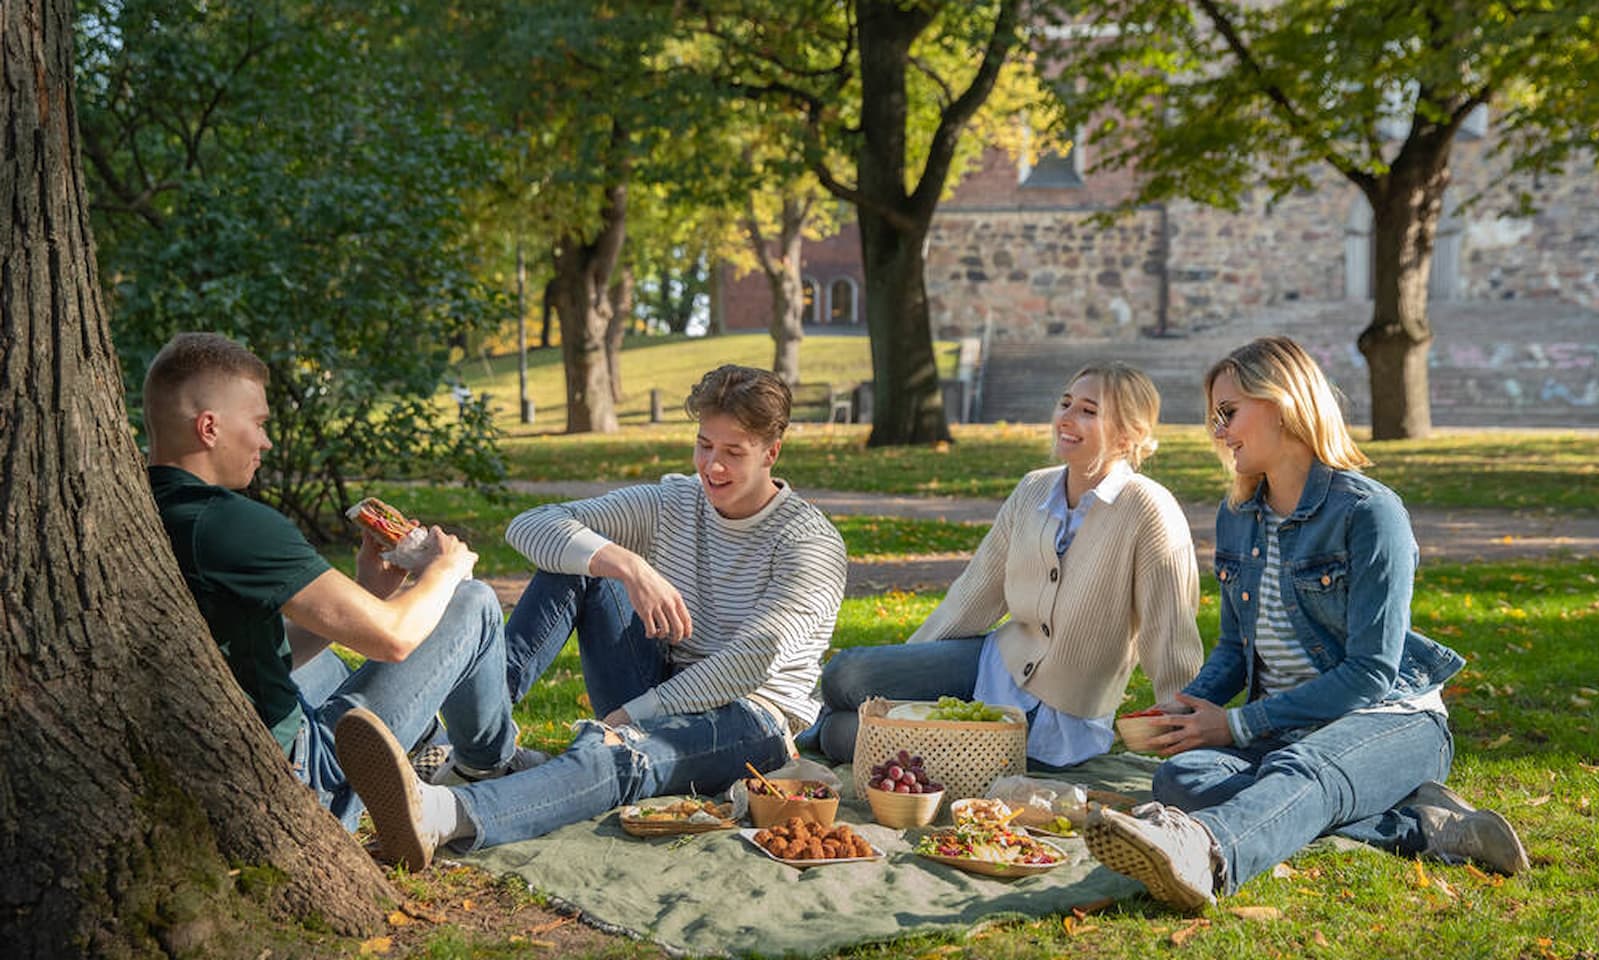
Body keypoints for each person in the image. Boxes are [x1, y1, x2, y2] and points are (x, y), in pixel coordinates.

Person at [335, 364, 848, 869]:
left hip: (751, 717)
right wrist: (626, 565)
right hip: (657, 676)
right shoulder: (675, 501)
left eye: (733, 453)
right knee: (581, 561)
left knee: (626, 752)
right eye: (704, 445)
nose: (712, 466)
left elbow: (750, 663)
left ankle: (448, 812)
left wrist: (633, 716)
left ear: (771, 453)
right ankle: (481, 754)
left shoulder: (809, 544)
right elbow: (532, 525)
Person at [1083, 336, 1529, 912]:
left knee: (1301, 770)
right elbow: (1234, 647)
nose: (1217, 431)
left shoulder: (1370, 513)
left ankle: (1204, 852)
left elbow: (1370, 673)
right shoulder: (1239, 514)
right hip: (1285, 730)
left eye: (1229, 412)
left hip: (1388, 721)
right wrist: (1185, 709)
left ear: (1285, 403)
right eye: (1213, 417)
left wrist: (1239, 726)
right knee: (1181, 781)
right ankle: (1419, 826)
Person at [143, 332, 532, 832]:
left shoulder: (146, 508)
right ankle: (485, 765)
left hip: (228, 746)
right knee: (474, 601)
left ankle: (426, 754)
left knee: (315, 654)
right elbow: (393, 638)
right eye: (259, 424)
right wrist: (445, 569)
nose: (266, 441)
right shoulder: (232, 524)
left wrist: (367, 591)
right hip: (308, 779)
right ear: (210, 427)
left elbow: (249, 647)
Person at [811, 362, 1204, 769]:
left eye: (1088, 411)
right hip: (992, 662)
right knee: (846, 674)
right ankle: (818, 724)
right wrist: (905, 672)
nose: (1066, 418)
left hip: (1056, 721)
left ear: (1129, 434)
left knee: (844, 735)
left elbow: (1170, 631)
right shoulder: (1034, 487)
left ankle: (819, 730)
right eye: (1065, 403)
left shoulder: (1148, 509)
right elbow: (976, 592)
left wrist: (1182, 736)